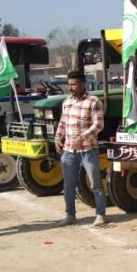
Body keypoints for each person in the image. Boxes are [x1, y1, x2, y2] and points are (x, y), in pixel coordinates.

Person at [54, 69, 107, 227]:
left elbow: (99, 125)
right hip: (69, 151)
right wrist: (57, 138)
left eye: (74, 84)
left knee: (95, 184)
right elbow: (63, 123)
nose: (70, 87)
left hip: (88, 150)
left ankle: (100, 214)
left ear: (83, 84)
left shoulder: (93, 101)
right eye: (69, 84)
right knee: (68, 185)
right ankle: (70, 215)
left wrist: (82, 137)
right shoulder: (67, 102)